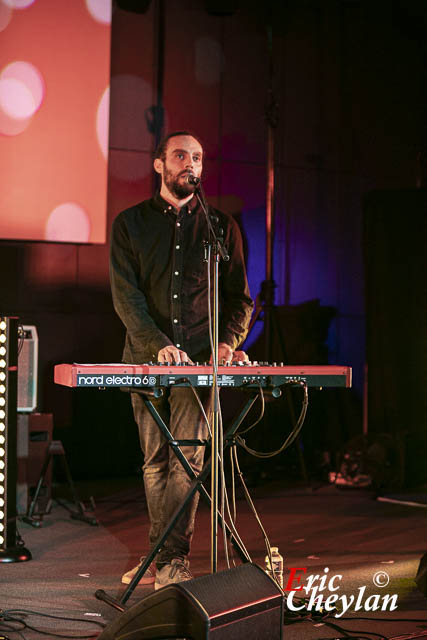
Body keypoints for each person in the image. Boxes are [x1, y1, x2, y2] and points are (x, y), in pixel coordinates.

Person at [110, 130, 253, 590]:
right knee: (155, 459)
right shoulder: (129, 224)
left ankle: (171, 559)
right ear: (159, 165)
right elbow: (126, 299)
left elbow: (239, 300)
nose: (190, 164)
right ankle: (161, 559)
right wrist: (157, 344)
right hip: (146, 359)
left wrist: (228, 342)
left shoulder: (219, 227)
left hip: (199, 363)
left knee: (188, 459)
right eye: (180, 156)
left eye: (197, 157)